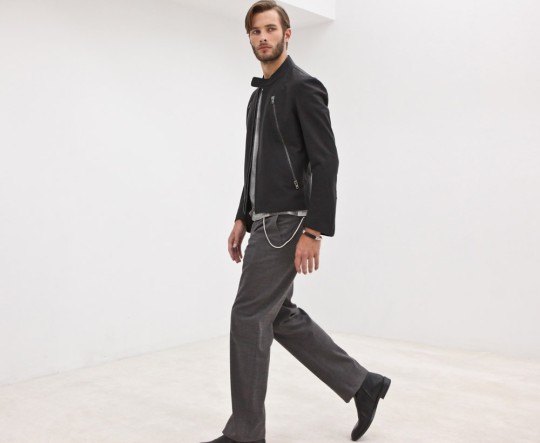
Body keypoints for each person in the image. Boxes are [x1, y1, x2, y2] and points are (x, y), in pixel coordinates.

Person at [202, 2, 390, 442]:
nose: (263, 37)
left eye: (271, 29)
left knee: (248, 316)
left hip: (288, 223)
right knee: (278, 314)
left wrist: (314, 230)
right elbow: (255, 166)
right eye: (255, 31)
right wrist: (242, 216)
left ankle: (245, 434)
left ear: (288, 34)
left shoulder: (304, 87)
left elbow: (326, 162)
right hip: (263, 221)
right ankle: (363, 384)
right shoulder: (258, 97)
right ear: (249, 38)